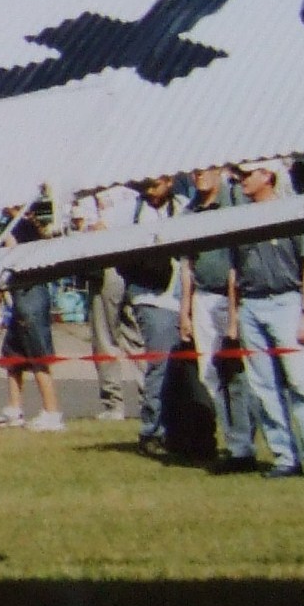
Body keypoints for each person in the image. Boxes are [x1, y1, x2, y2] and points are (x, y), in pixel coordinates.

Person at [229, 159, 304, 479]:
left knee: (299, 381)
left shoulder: (291, 211)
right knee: (263, 387)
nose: (242, 181)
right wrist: (235, 316)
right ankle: (284, 456)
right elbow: (235, 270)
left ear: (267, 176)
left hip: (286, 301)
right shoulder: (239, 218)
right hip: (252, 304)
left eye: (248, 175)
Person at [180, 164, 259, 469]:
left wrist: (235, 311)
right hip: (203, 297)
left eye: (205, 169)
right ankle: (234, 440)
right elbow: (187, 265)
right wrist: (185, 311)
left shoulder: (235, 201)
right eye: (194, 170)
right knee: (209, 374)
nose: (199, 174)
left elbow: (236, 260)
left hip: (230, 297)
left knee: (236, 373)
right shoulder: (189, 213)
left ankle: (243, 445)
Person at [121, 176, 188, 450]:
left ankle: (181, 428)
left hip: (181, 294)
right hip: (149, 295)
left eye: (155, 184)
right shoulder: (130, 210)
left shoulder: (184, 206)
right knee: (160, 364)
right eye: (145, 186)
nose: (150, 191)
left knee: (183, 367)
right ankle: (152, 429)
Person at [0, 201, 65, 431]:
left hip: (32, 293)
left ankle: (52, 412)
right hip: (18, 295)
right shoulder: (10, 225)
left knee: (38, 354)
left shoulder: (28, 225)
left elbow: (12, 252)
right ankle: (14, 408)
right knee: (13, 356)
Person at [74, 182, 143, 420]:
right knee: (133, 334)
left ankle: (114, 403)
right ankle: (147, 397)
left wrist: (87, 226)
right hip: (128, 265)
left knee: (105, 336)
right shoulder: (131, 195)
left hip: (110, 267)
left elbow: (88, 229)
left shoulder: (112, 196)